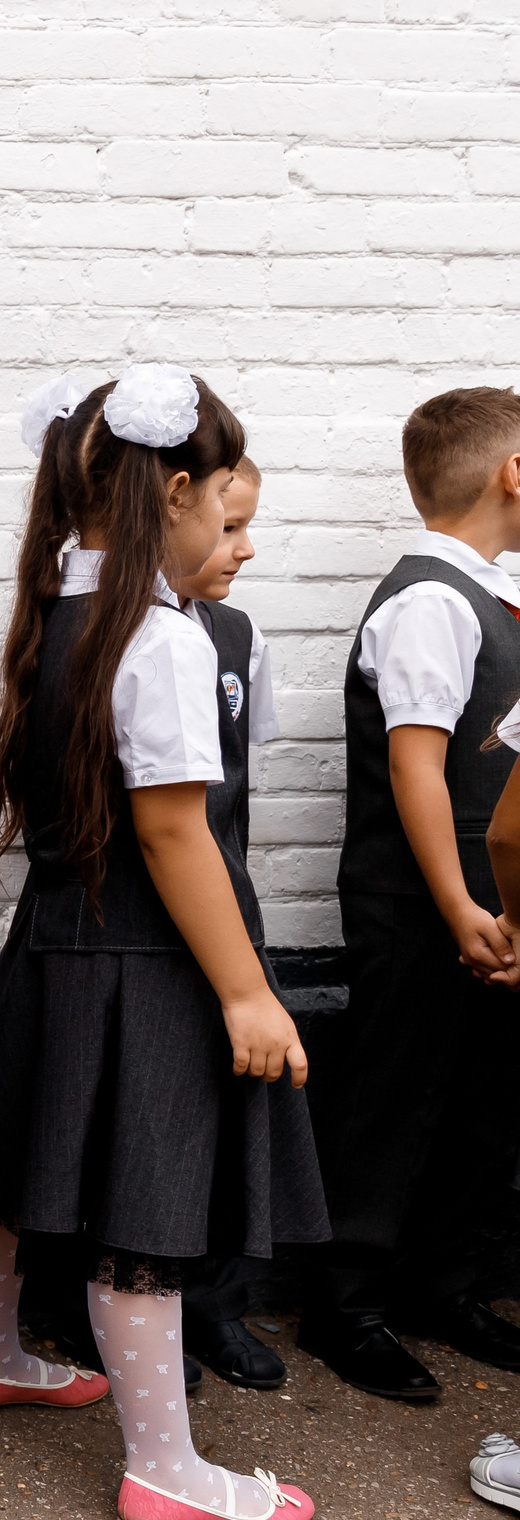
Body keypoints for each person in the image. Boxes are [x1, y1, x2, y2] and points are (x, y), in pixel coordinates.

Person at [0, 367, 323, 1520]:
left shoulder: (59, 609)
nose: (232, 533)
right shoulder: (156, 637)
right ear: (183, 490)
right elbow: (171, 825)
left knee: (8, 1154)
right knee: (143, 1205)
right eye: (226, 509)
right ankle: (164, 1465)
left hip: (57, 935)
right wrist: (247, 990)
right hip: (144, 956)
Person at [308, 385, 520, 1400]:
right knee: (395, 1098)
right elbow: (416, 764)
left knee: (482, 1102)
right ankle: (347, 1301)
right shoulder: (432, 600)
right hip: (426, 907)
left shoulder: (486, 594)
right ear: (510, 474)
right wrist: (454, 905)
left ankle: (447, 1283)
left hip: (492, 910)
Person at [176, 457, 291, 1393]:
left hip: (228, 895)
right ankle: (133, 1312)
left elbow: (234, 780)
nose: (241, 548)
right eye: (225, 527)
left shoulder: (238, 636)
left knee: (229, 1115)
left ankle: (215, 1301)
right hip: (154, 911)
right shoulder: (116, 634)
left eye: (248, 525)